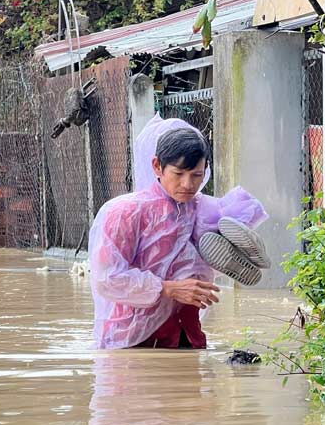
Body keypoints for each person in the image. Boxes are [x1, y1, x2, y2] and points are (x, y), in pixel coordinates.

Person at [88, 116, 267, 349]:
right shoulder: (125, 212)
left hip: (187, 333)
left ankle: (254, 254)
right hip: (132, 336)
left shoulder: (202, 209)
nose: (187, 184)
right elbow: (106, 279)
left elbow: (211, 258)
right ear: (157, 166)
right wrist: (168, 288)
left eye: (196, 175)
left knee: (228, 219)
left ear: (206, 170)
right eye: (179, 174)